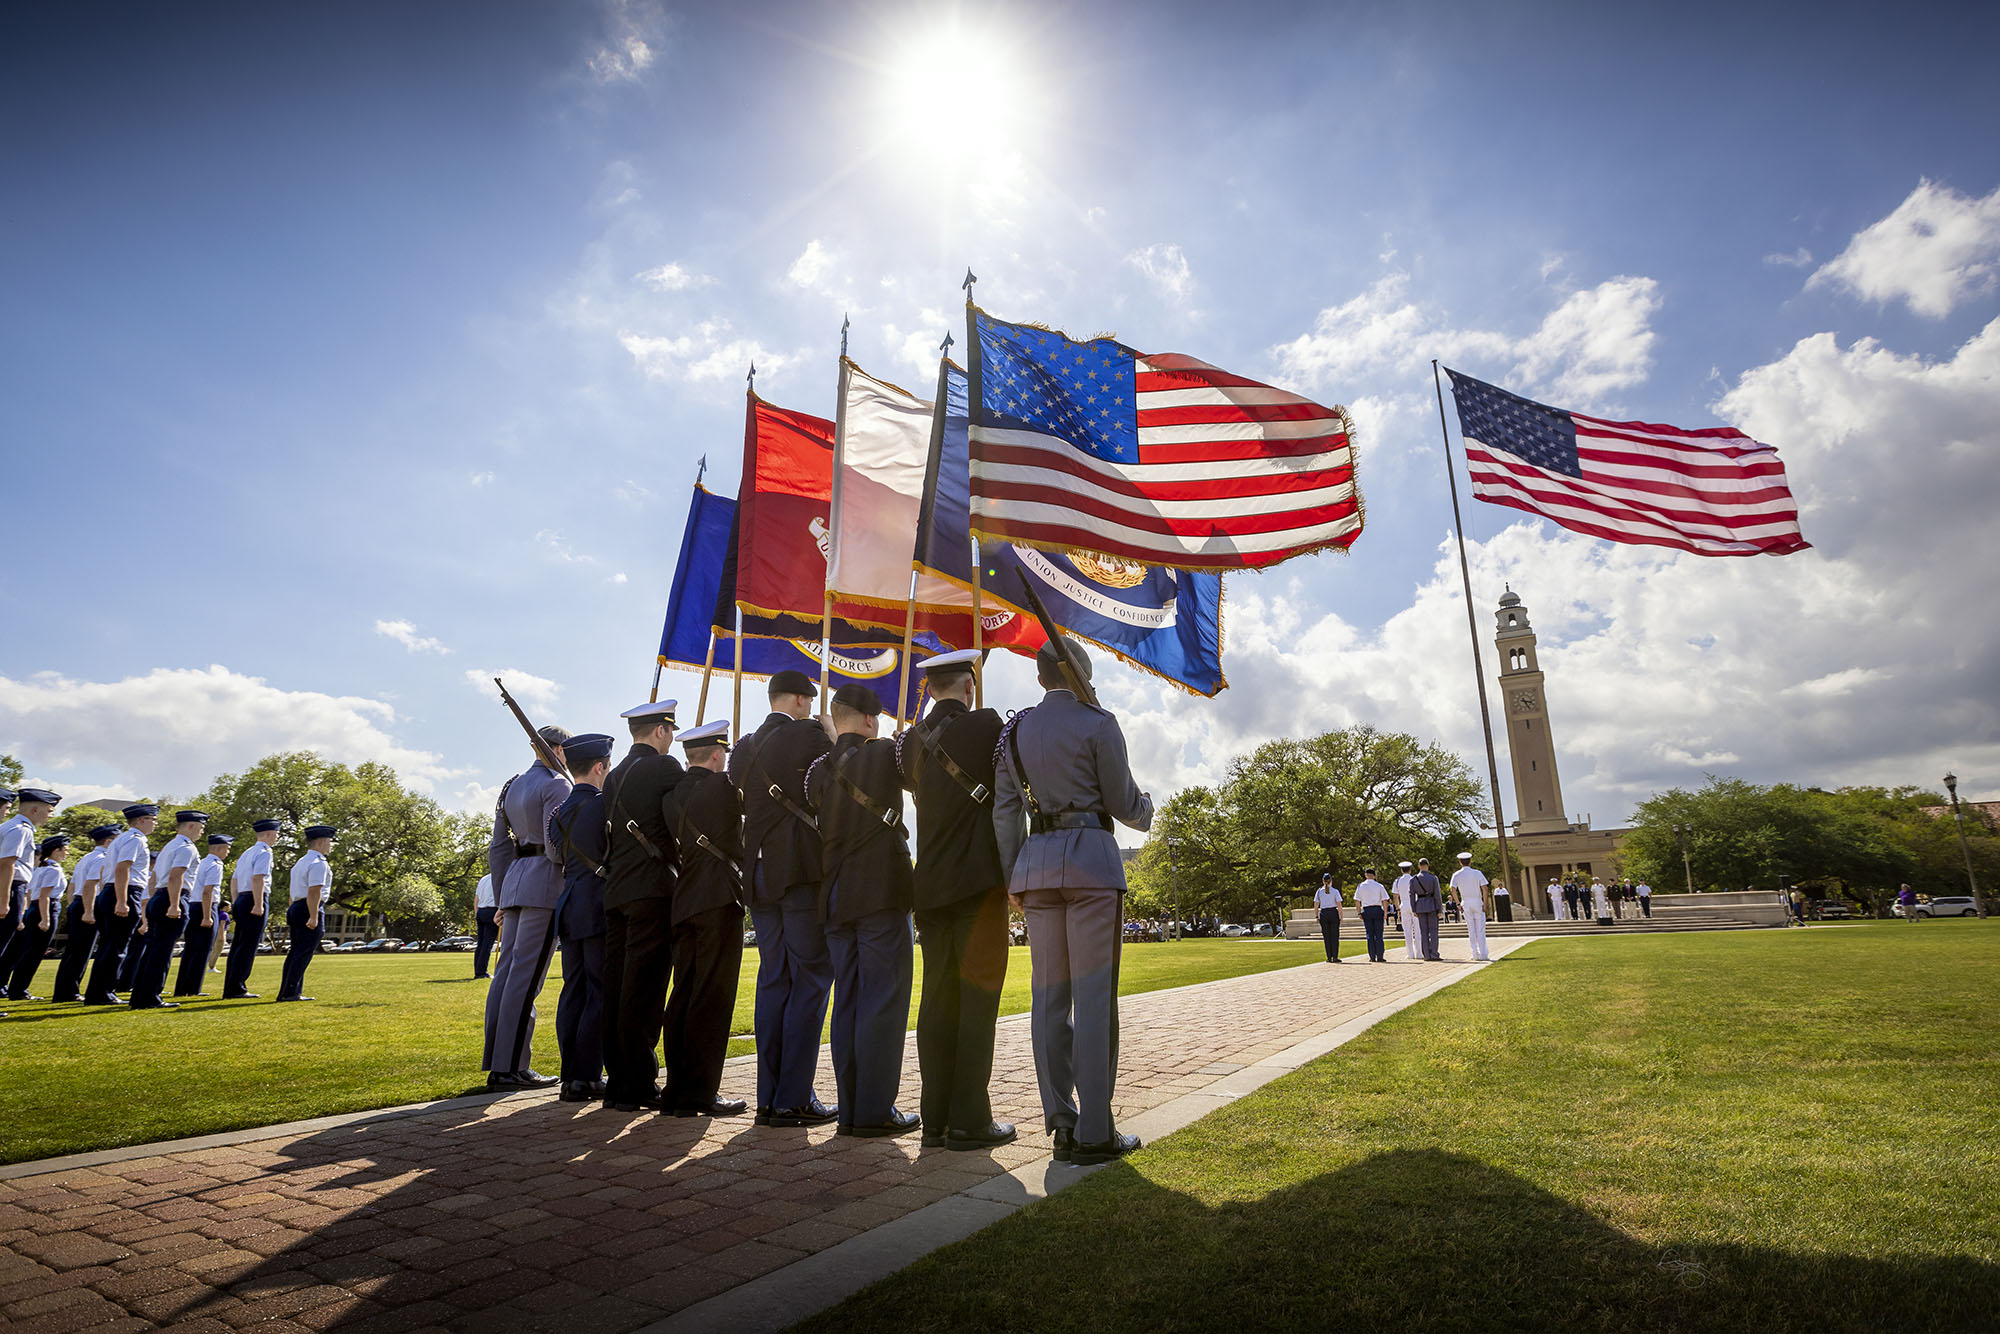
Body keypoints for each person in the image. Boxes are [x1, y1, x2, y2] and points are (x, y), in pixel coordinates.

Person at [994, 638, 1153, 1167]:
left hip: (1036, 868)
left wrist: (1012, 877)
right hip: (1090, 865)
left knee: (1049, 1001)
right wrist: (1147, 808)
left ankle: (1060, 1124)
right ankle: (1095, 1129)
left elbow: (1005, 813)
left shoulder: (1013, 732)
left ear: (1041, 679)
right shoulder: (1098, 722)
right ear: (1082, 675)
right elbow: (1124, 804)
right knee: (1092, 1000)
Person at [897, 649, 1014, 1150]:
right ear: (969, 686)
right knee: (977, 1003)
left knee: (937, 1002)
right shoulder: (987, 725)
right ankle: (970, 1119)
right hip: (977, 884)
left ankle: (936, 1118)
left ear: (930, 688)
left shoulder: (908, 743)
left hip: (931, 886)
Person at [807, 685, 919, 1138]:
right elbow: (912, 772)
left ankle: (851, 1108)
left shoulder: (817, 770)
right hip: (880, 893)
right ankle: (874, 1109)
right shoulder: (887, 754)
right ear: (872, 720)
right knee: (882, 1003)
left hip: (835, 896)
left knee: (848, 1003)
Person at [731, 669, 838, 1128]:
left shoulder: (743, 748)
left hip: (756, 871)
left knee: (775, 980)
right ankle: (793, 1097)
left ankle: (768, 1095)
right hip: (796, 870)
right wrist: (832, 735)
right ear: (799, 700)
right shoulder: (812, 735)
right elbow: (836, 781)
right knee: (811, 979)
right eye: (809, 702)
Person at [659, 720, 749, 1119]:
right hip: (717, 896)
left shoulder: (671, 796)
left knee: (683, 995)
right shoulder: (725, 788)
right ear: (717, 754)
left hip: (684, 899)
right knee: (712, 999)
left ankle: (677, 1088)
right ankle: (701, 1092)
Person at [599, 701, 684, 1113]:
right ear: (662, 732)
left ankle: (618, 1082)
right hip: (652, 889)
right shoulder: (666, 769)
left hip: (616, 889)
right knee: (644, 990)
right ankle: (637, 1084)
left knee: (616, 988)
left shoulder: (613, 777)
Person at [484, 725, 574, 1087]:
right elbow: (555, 848)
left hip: (516, 882)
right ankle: (511, 1066)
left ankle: (498, 1061)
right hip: (545, 884)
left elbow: (498, 848)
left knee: (506, 974)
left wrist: (503, 895)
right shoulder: (558, 784)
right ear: (558, 749)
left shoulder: (512, 785)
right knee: (526, 977)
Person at [547, 732, 615, 1103]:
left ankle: (570, 1071)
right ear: (600, 766)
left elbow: (557, 856)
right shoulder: (603, 805)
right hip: (595, 902)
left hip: (569, 902)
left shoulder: (560, 811)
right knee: (598, 990)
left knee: (572, 990)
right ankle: (586, 1076)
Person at [130, 809, 207, 1010]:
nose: (201, 832)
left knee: (153, 950)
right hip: (173, 897)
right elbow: (176, 876)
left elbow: (154, 877)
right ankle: (151, 997)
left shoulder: (169, 846)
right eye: (200, 828)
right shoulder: (186, 848)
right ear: (191, 826)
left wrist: (156, 897)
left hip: (159, 896)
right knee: (162, 951)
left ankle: (140, 995)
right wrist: (174, 904)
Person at [85, 804, 157, 1004]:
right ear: (141, 820)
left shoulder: (124, 839)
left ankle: (97, 992)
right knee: (117, 947)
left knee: (109, 946)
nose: (155, 824)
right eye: (153, 819)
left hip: (111, 891)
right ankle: (104, 992)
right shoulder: (135, 840)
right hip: (123, 891)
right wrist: (122, 900)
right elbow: (123, 869)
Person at [50, 824, 118, 1002]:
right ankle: (69, 992)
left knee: (75, 951)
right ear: (109, 841)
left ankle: (65, 991)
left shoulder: (86, 857)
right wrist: (88, 911)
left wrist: (74, 906)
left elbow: (73, 886)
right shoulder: (102, 858)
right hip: (88, 903)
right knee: (81, 952)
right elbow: (90, 885)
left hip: (79, 902)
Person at [4, 833, 69, 999]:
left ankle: (14, 988)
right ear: (56, 851)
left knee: (25, 950)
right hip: (45, 908)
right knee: (35, 953)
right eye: (64, 850)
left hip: (33, 908)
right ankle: (19, 990)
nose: (66, 853)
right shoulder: (53, 870)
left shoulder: (40, 869)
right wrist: (46, 919)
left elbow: (31, 892)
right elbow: (44, 896)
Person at [0, 786, 58, 969]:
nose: (50, 816)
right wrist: (4, 901)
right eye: (48, 811)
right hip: (11, 886)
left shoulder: (9, 826)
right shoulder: (21, 829)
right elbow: (7, 864)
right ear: (35, 810)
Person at [223, 818, 282, 998]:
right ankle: (237, 988)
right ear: (270, 834)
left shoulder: (247, 852)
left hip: (241, 897)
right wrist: (258, 903)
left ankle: (231, 985)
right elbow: (258, 878)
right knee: (248, 945)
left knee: (239, 945)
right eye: (277, 834)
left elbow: (234, 879)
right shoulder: (265, 852)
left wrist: (235, 901)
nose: (277, 837)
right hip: (254, 897)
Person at [277, 826, 336, 1000]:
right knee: (303, 952)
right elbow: (314, 891)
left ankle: (289, 991)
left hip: (296, 906)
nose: (330, 846)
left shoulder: (300, 862)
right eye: (329, 842)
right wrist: (314, 915)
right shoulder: (319, 863)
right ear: (320, 842)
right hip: (308, 906)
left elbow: (292, 890)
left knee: (295, 951)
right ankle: (291, 992)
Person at [173, 833, 231, 997]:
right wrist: (207, 916)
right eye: (226, 849)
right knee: (203, 949)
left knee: (191, 949)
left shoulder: (202, 862)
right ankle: (193, 988)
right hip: (205, 906)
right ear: (219, 848)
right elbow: (208, 891)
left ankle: (182, 987)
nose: (227, 852)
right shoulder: (215, 864)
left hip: (193, 905)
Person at [1450, 852, 1491, 963]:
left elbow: (1452, 889)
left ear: (1460, 862)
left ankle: (1475, 953)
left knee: (1471, 929)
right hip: (1477, 901)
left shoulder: (1456, 874)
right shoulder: (1477, 873)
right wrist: (1485, 903)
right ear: (1470, 861)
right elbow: (1485, 888)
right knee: (1480, 930)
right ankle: (1483, 954)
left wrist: (1458, 903)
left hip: (1465, 902)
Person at [1407, 858, 1443, 962]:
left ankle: (1426, 954)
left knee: (1423, 932)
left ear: (1419, 866)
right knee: (1434, 931)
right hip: (1431, 905)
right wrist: (1440, 909)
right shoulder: (1433, 878)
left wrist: (1413, 908)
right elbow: (1437, 894)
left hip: (1420, 906)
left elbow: (1412, 896)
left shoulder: (1414, 879)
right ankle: (1434, 954)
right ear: (1428, 865)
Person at [1352, 868, 1389, 962]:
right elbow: (1384, 900)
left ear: (1366, 875)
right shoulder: (1379, 886)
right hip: (1377, 909)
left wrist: (1359, 912)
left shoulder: (1361, 886)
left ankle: (1372, 956)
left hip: (1367, 910)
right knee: (1379, 934)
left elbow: (1357, 900)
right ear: (1374, 875)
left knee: (1369, 934)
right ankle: (1380, 956)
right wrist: (1385, 912)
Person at [472, 872, 498, 979]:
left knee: (481, 943)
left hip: (481, 910)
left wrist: (476, 914)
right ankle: (481, 972)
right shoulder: (499, 877)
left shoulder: (484, 879)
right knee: (487, 943)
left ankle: (478, 971)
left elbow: (476, 899)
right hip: (492, 910)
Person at [1313, 875, 1344, 963]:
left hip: (1324, 913)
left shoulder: (1319, 891)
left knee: (1327, 937)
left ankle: (1329, 957)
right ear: (1331, 881)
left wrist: (1316, 915)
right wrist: (1341, 916)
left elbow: (1316, 905)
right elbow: (1339, 904)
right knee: (1334, 936)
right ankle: (1335, 956)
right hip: (1333, 912)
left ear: (1323, 881)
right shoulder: (1335, 891)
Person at [1392, 861, 1417, 959]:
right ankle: (1419, 952)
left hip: (1404, 904)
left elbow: (1395, 896)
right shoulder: (1414, 879)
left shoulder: (1397, 881)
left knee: (1407, 931)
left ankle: (1410, 954)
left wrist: (1398, 908)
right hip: (1414, 904)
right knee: (1418, 930)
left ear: (1401, 870)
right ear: (1410, 869)